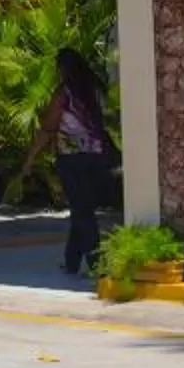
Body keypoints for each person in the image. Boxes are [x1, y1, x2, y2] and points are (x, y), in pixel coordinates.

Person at [48, 48, 116, 277]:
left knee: (82, 212)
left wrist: (30, 158)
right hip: (96, 156)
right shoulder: (95, 89)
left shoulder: (64, 93)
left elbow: (48, 126)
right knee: (82, 209)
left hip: (71, 158)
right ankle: (71, 262)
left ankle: (98, 264)